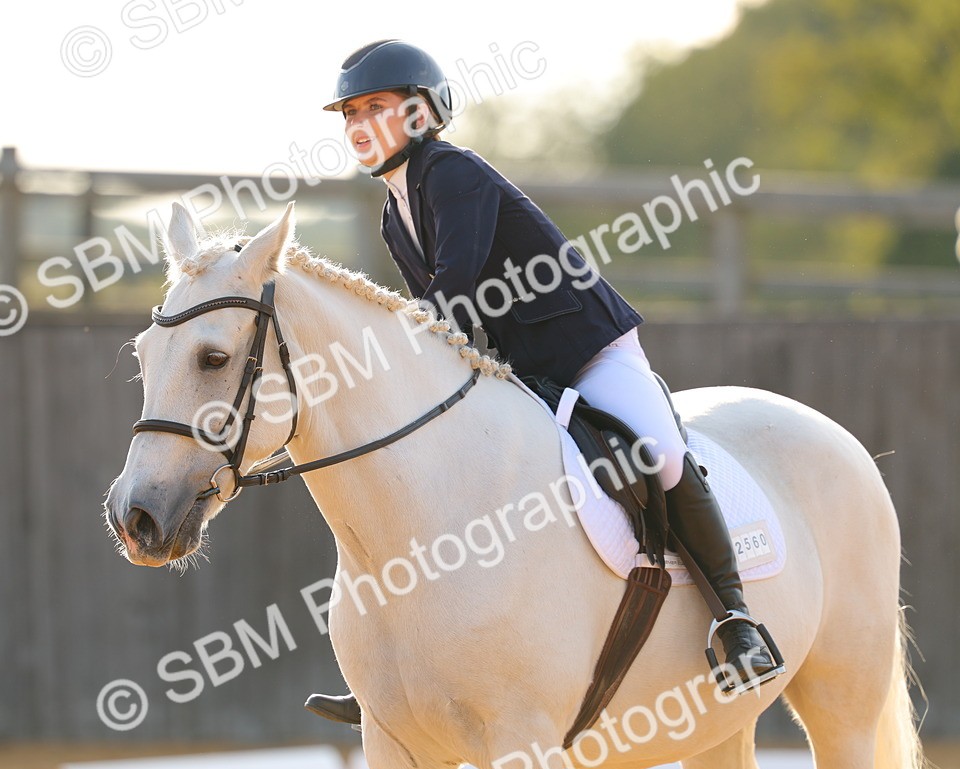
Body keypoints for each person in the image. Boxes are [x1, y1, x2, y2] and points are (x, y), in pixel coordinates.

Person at [304, 40, 782, 728]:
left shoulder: (451, 174)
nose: (357, 123)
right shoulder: (391, 209)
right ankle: (398, 665)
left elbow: (454, 295)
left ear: (421, 112)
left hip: (585, 349)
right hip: (518, 368)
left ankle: (736, 618)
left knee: (661, 452)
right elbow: (442, 323)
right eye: (349, 112)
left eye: (374, 106)